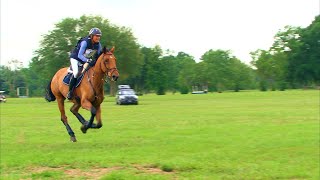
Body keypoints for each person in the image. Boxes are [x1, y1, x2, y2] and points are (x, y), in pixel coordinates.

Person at [67, 27, 103, 99]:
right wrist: (87, 60)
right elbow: (80, 55)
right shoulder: (85, 42)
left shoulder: (98, 44)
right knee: (76, 72)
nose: (98, 38)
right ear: (91, 36)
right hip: (75, 58)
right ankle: (70, 92)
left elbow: (99, 55)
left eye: (99, 36)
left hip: (85, 60)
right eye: (96, 36)